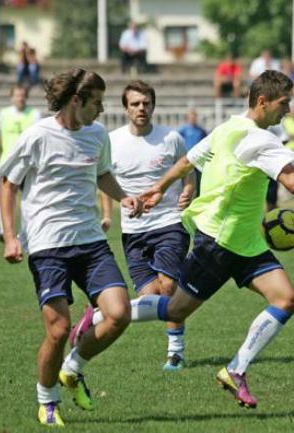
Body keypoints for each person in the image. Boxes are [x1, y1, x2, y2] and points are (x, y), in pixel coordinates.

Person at [70, 70, 294, 409]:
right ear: (262, 102)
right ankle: (96, 318)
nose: (288, 109)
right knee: (174, 307)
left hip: (247, 242)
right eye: (284, 103)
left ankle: (236, 370)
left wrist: (158, 188)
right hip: (220, 242)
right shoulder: (259, 140)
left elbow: (186, 161)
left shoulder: (228, 127)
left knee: (286, 299)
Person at [0, 68, 142, 427]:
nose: (102, 110)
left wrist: (124, 198)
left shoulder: (96, 135)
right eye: (96, 102)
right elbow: (8, 183)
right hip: (48, 246)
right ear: (76, 101)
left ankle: (73, 368)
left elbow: (102, 173)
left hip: (90, 242)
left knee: (120, 313)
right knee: (58, 330)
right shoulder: (37, 136)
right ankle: (47, 400)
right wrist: (11, 236)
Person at [106, 80, 195, 371]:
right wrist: (108, 213)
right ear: (125, 108)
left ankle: (176, 352)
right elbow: (102, 180)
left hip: (169, 223)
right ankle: (99, 315)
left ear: (153, 106)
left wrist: (188, 189)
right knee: (151, 298)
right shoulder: (111, 141)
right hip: (132, 232)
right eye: (135, 104)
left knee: (167, 287)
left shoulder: (171, 138)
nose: (141, 108)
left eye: (146, 103)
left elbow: (188, 168)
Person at [0, 84, 41, 241]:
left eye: (22, 95)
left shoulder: (34, 114)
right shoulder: (3, 114)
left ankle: (27, 230)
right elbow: (0, 138)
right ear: (11, 97)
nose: (20, 98)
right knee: (6, 195)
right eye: (17, 95)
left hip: (28, 163)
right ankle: (4, 230)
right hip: (8, 162)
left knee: (28, 198)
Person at [178, 108, 207, 196]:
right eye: (190, 117)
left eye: (194, 117)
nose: (192, 119)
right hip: (188, 158)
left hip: (198, 158)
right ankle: (185, 195)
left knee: (198, 179)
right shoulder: (183, 130)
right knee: (186, 178)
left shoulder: (201, 131)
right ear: (188, 118)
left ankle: (198, 195)